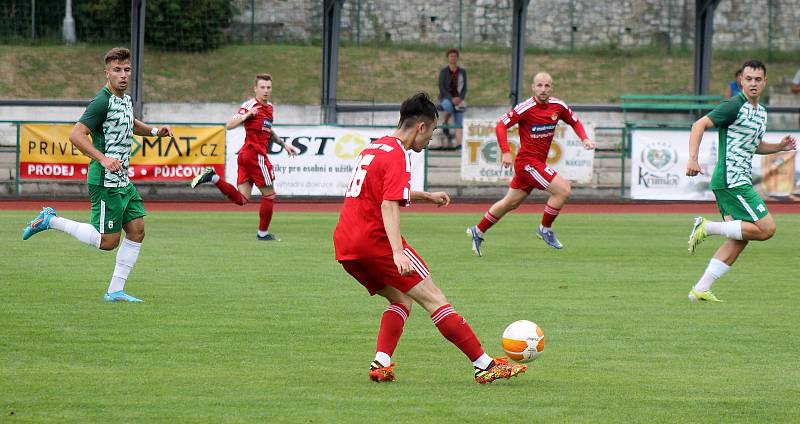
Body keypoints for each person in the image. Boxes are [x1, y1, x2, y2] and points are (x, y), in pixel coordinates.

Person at [333, 92, 527, 384]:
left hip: (347, 245)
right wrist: (397, 251)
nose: (431, 139)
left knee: (401, 300)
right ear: (420, 127)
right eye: (433, 131)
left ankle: (381, 362)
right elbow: (388, 204)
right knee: (436, 300)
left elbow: (378, 192)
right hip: (378, 243)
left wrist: (425, 195)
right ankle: (484, 365)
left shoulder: (375, 148)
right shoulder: (399, 154)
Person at [21, 47, 173, 303]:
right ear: (107, 73)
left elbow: (131, 122)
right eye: (117, 70)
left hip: (123, 179)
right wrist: (103, 158)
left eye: (126, 70)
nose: (123, 75)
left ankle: (115, 291)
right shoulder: (101, 101)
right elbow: (76, 135)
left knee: (137, 229)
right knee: (107, 242)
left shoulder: (124, 99)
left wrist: (156, 131)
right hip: (105, 181)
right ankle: (50, 220)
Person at [686, 60, 797, 302]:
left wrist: (779, 146)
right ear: (741, 81)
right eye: (749, 79)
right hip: (731, 179)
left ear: (765, 81)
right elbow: (699, 124)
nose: (753, 83)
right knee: (767, 229)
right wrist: (692, 159)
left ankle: (700, 289)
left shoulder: (761, 112)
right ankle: (707, 227)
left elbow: (754, 145)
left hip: (737, 179)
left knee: (740, 239)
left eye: (758, 79)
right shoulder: (734, 105)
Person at [466, 72, 594, 256]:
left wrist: (585, 138)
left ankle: (478, 231)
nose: (543, 89)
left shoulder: (559, 106)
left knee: (509, 203)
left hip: (535, 163)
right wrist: (505, 152)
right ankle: (545, 228)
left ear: (552, 87)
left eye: (547, 86)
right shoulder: (525, 108)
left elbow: (575, 122)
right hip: (527, 163)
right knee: (563, 190)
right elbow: (500, 125)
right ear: (533, 87)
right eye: (540, 85)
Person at [191, 73, 297, 241]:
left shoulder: (269, 108)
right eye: (262, 87)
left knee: (242, 199)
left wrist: (284, 144)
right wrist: (247, 115)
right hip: (255, 155)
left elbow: (268, 130)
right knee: (269, 195)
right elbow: (230, 125)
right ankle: (262, 234)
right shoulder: (250, 105)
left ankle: (213, 177)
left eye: (268, 87)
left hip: (247, 156)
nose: (266, 91)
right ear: (255, 88)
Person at [437, 48, 467, 149]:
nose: (453, 58)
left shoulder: (462, 72)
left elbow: (464, 88)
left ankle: (459, 145)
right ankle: (445, 124)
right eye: (451, 56)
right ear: (448, 58)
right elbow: (442, 87)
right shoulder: (444, 72)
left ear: (457, 58)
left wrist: (460, 98)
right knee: (449, 107)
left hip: (458, 99)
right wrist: (451, 98)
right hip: (446, 98)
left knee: (459, 120)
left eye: (455, 56)